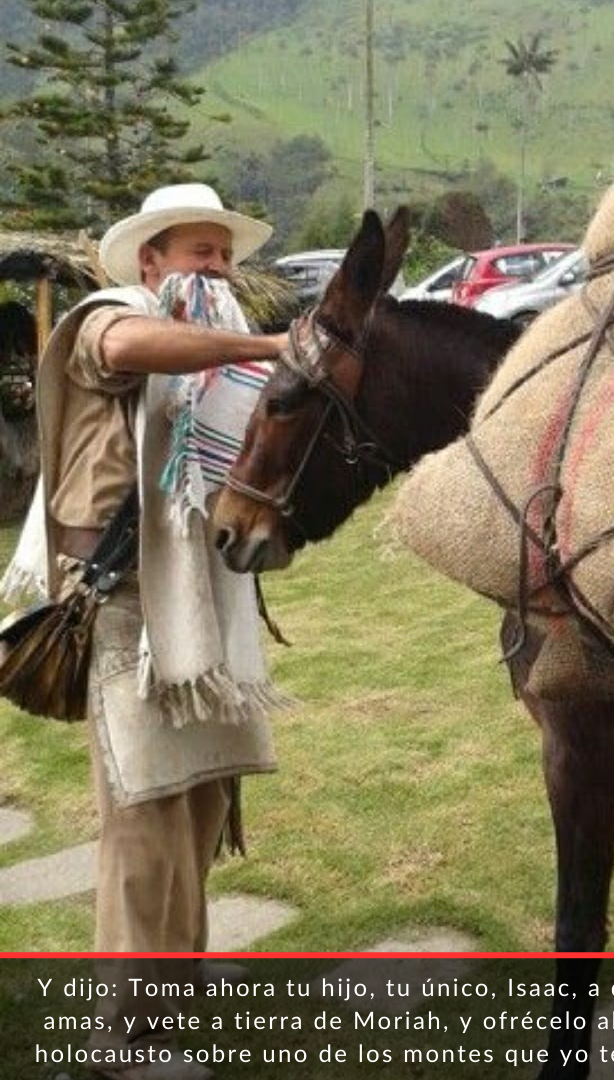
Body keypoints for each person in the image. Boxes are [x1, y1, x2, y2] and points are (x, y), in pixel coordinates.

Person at [2, 184, 290, 1080]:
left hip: (196, 599)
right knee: (144, 812)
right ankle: (123, 1041)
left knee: (201, 802)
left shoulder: (214, 360)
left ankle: (174, 984)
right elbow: (133, 349)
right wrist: (269, 346)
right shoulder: (108, 318)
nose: (218, 269)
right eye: (200, 252)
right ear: (151, 260)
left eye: (225, 254)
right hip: (122, 598)